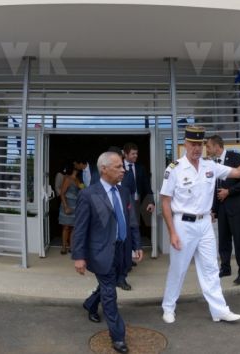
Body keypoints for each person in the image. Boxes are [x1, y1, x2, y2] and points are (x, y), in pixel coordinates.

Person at [160, 125, 240, 324]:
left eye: (199, 144)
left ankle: (219, 310)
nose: (196, 149)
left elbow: (237, 172)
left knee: (210, 268)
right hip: (183, 224)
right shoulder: (174, 168)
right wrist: (172, 232)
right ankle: (168, 307)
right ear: (185, 143)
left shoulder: (210, 166)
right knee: (179, 268)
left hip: (205, 225)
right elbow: (165, 201)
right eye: (192, 144)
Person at [72, 152, 143, 354]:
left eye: (123, 167)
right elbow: (80, 228)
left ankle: (90, 304)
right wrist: (79, 256)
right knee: (110, 293)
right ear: (103, 169)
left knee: (108, 283)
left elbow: (131, 222)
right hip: (101, 252)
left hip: (122, 249)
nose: (123, 170)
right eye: (118, 166)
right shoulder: (88, 194)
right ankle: (118, 336)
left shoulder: (124, 191)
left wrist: (136, 246)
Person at [206, 135, 240, 285]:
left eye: (208, 146)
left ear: (217, 146)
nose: (207, 149)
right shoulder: (212, 163)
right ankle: (225, 267)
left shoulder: (235, 157)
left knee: (239, 239)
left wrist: (229, 192)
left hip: (236, 205)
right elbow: (214, 188)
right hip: (222, 208)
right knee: (223, 239)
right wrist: (213, 209)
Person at [118, 142, 154, 289]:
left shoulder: (140, 168)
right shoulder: (119, 168)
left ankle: (130, 255)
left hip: (137, 203)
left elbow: (146, 185)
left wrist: (151, 201)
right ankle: (126, 259)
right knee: (124, 232)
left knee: (134, 229)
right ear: (125, 154)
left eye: (137, 153)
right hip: (122, 204)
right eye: (133, 154)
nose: (135, 156)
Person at [58, 166, 81, 255]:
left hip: (76, 206)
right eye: (77, 168)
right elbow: (62, 193)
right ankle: (64, 247)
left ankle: (72, 247)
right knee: (66, 227)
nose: (78, 170)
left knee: (74, 227)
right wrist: (65, 206)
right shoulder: (67, 179)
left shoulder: (78, 180)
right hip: (67, 205)